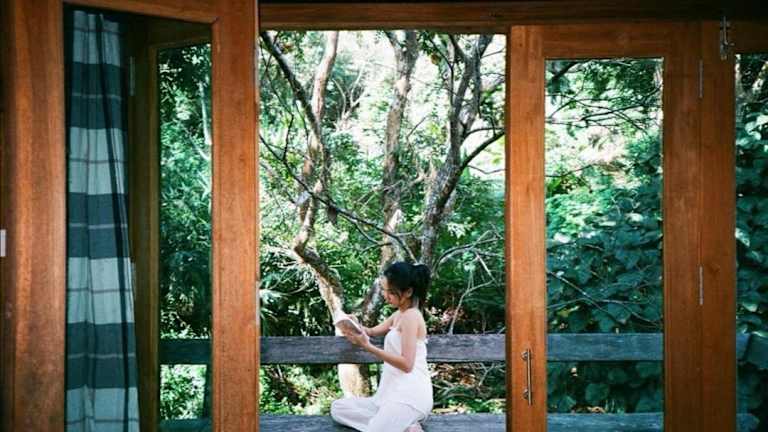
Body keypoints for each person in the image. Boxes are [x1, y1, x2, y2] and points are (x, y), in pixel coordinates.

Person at [331, 261, 433, 432]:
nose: (385, 296)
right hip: (389, 396)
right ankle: (405, 426)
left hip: (410, 397)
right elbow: (370, 331)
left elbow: (407, 364)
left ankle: (395, 423)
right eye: (384, 290)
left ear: (408, 292)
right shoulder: (398, 314)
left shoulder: (411, 317)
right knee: (338, 408)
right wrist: (353, 324)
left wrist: (367, 346)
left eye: (391, 292)